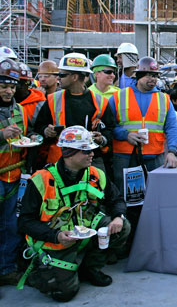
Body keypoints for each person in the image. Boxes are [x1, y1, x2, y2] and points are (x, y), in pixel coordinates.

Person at [18, 126, 130, 302]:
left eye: (92, 149)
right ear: (69, 153)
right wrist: (55, 235)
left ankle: (90, 268)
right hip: (55, 241)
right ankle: (38, 271)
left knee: (122, 227)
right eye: (86, 150)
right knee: (65, 294)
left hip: (83, 232)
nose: (92, 154)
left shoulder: (95, 174)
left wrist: (118, 217)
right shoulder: (41, 180)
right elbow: (24, 222)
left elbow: (116, 200)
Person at [110, 56, 177, 192]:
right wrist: (125, 135)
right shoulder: (119, 96)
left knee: (156, 195)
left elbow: (171, 127)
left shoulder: (164, 99)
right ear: (139, 76)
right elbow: (109, 125)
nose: (153, 79)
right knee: (125, 196)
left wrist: (172, 151)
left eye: (155, 76)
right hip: (125, 156)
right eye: (149, 75)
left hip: (154, 156)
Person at [35, 53, 115, 168]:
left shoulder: (100, 102)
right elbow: (39, 126)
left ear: (74, 77)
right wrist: (46, 131)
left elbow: (110, 129)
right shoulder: (53, 99)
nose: (58, 78)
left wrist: (102, 139)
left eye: (62, 75)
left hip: (90, 160)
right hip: (60, 161)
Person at [0, 58, 35, 286]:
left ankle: (7, 269)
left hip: (14, 176)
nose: (8, 91)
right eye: (3, 85)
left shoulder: (20, 110)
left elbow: (28, 132)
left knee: (11, 225)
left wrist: (31, 138)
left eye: (12, 86)